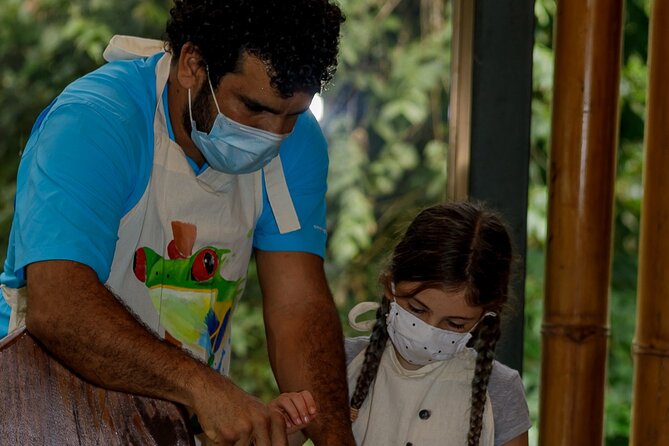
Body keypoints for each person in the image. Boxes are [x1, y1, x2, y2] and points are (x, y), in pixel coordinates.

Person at [0, 1, 356, 445]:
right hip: (36, 413)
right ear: (193, 65)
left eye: (291, 115)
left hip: (167, 426)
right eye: (253, 108)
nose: (274, 135)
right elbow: (60, 306)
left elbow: (297, 305)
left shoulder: (296, 144)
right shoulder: (95, 120)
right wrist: (205, 389)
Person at [275, 202, 531, 445]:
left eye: (455, 324)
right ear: (390, 286)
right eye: (417, 309)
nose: (429, 330)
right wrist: (281, 423)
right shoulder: (337, 364)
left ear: (485, 317)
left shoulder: (500, 390)